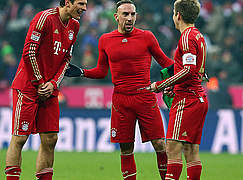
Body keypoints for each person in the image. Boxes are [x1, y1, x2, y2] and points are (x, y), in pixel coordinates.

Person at [65, 0, 173, 179]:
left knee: (160, 144)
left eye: (132, 14)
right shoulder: (105, 40)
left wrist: (186, 71)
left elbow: (166, 62)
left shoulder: (147, 37)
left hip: (145, 97)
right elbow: (101, 71)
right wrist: (82, 72)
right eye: (125, 14)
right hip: (121, 101)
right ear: (116, 17)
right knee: (126, 147)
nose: (129, 18)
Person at [4, 0, 87, 179]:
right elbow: (29, 52)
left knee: (50, 139)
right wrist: (41, 82)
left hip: (50, 89)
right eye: (81, 3)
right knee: (20, 138)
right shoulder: (44, 18)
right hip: (28, 86)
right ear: (67, 3)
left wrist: (54, 84)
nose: (85, 8)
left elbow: (66, 59)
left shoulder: (75, 25)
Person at [144, 0, 208, 179]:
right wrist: (175, 84)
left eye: (173, 12)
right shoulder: (198, 36)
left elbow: (189, 69)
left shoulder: (186, 37)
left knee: (172, 147)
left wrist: (162, 84)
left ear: (178, 15)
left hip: (187, 99)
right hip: (198, 97)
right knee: (191, 150)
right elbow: (196, 70)